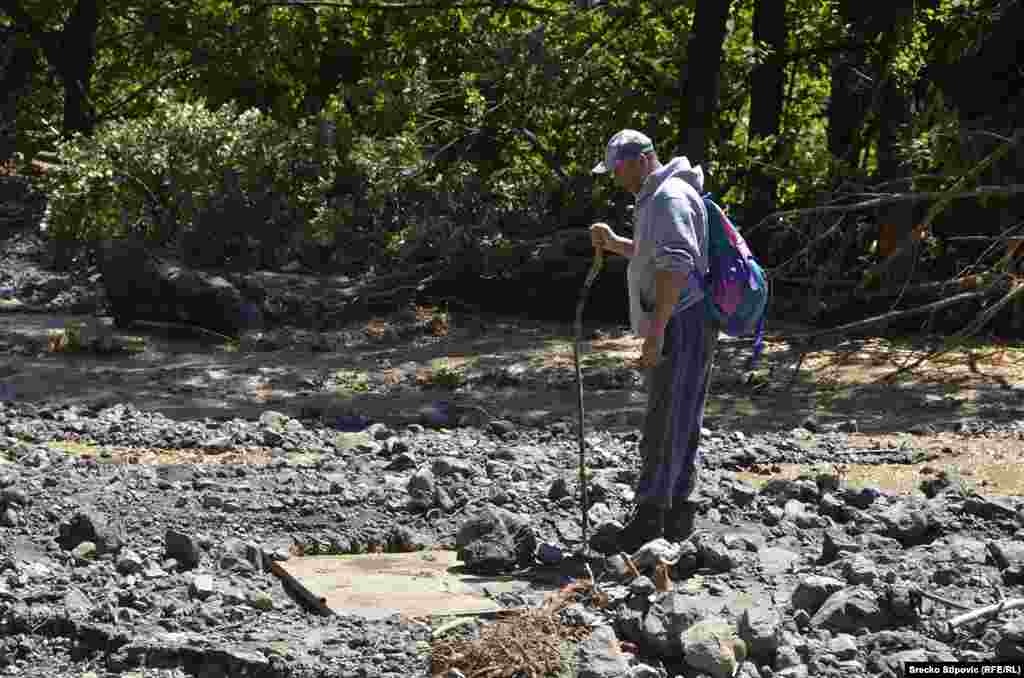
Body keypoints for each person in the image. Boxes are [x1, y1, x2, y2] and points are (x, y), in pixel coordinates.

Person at [589, 129, 719, 552]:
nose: (615, 178)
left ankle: (652, 519)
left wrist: (655, 333)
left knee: (664, 419)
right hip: (686, 319)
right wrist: (616, 245)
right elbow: (656, 255)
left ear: (642, 159)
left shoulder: (667, 198)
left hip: (682, 320)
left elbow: (677, 267)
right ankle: (677, 513)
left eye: (618, 169)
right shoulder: (661, 196)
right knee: (678, 415)